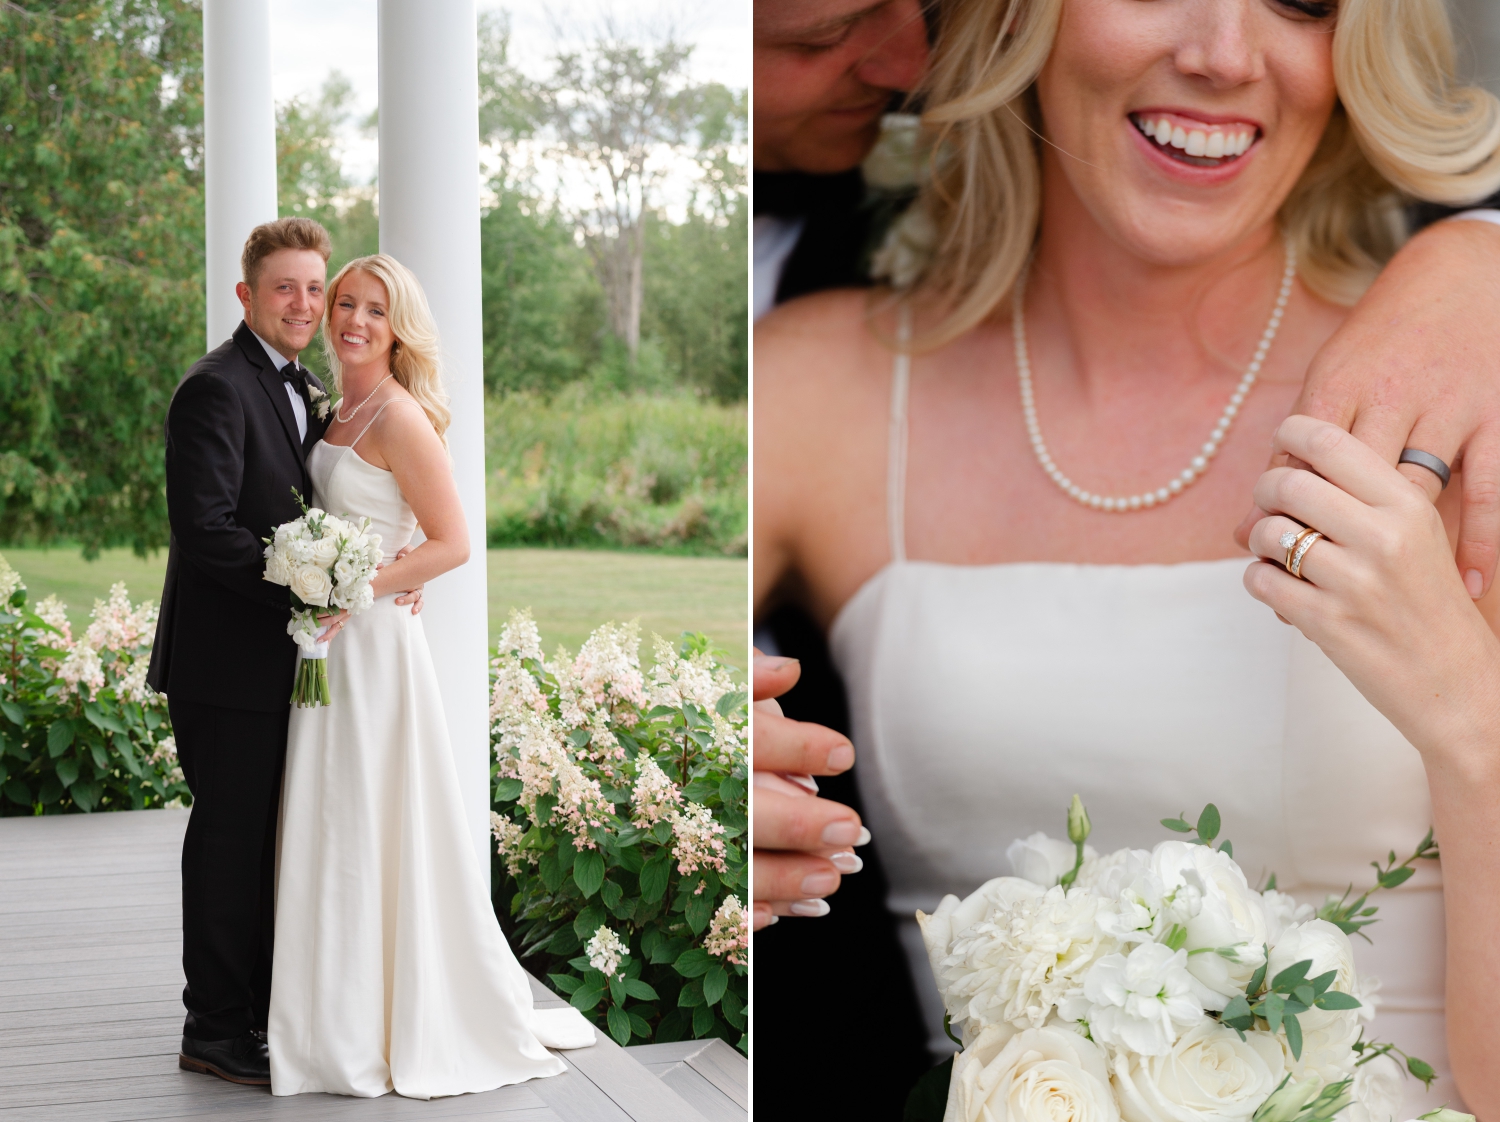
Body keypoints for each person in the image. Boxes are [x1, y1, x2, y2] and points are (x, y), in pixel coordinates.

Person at [755, 0, 1500, 1113]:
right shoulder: (814, 392)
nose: (1222, 54)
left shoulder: (1460, 401)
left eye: (1300, 1)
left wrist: (1474, 727)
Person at [266, 254, 595, 1098]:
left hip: (372, 651)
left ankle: (383, 1023)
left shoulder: (399, 415)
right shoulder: (337, 407)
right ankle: (332, 1019)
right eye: (345, 303)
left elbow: (453, 541)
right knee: (336, 825)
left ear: (399, 324)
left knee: (371, 820)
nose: (354, 321)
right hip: (330, 644)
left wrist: (359, 588)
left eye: (375, 309)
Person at [149, 217, 416, 1085]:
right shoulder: (216, 388)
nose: (306, 304)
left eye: (316, 288)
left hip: (284, 662)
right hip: (226, 665)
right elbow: (206, 530)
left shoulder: (303, 388)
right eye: (286, 288)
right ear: (247, 295)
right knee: (229, 843)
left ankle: (269, 1011)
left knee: (273, 841)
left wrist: (384, 568)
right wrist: (315, 586)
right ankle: (216, 1029)